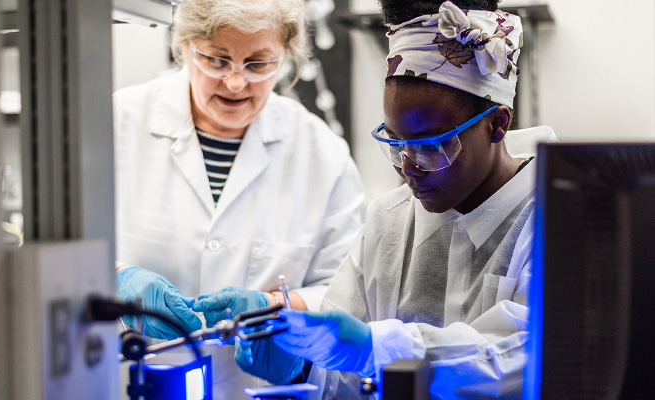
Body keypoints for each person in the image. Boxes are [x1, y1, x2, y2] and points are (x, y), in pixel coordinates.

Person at [237, 0, 558, 398]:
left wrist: (377, 349)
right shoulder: (388, 220)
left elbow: (525, 357)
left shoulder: (556, 219)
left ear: (497, 124)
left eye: (432, 145)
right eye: (395, 142)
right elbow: (345, 373)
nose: (409, 167)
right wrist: (301, 365)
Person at [112, 0, 365, 397]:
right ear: (184, 47)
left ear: (285, 56)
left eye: (258, 63)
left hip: (256, 388)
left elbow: (349, 294)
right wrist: (117, 279)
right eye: (216, 59)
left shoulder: (323, 154)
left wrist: (277, 306)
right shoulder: (115, 122)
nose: (235, 82)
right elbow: (55, 254)